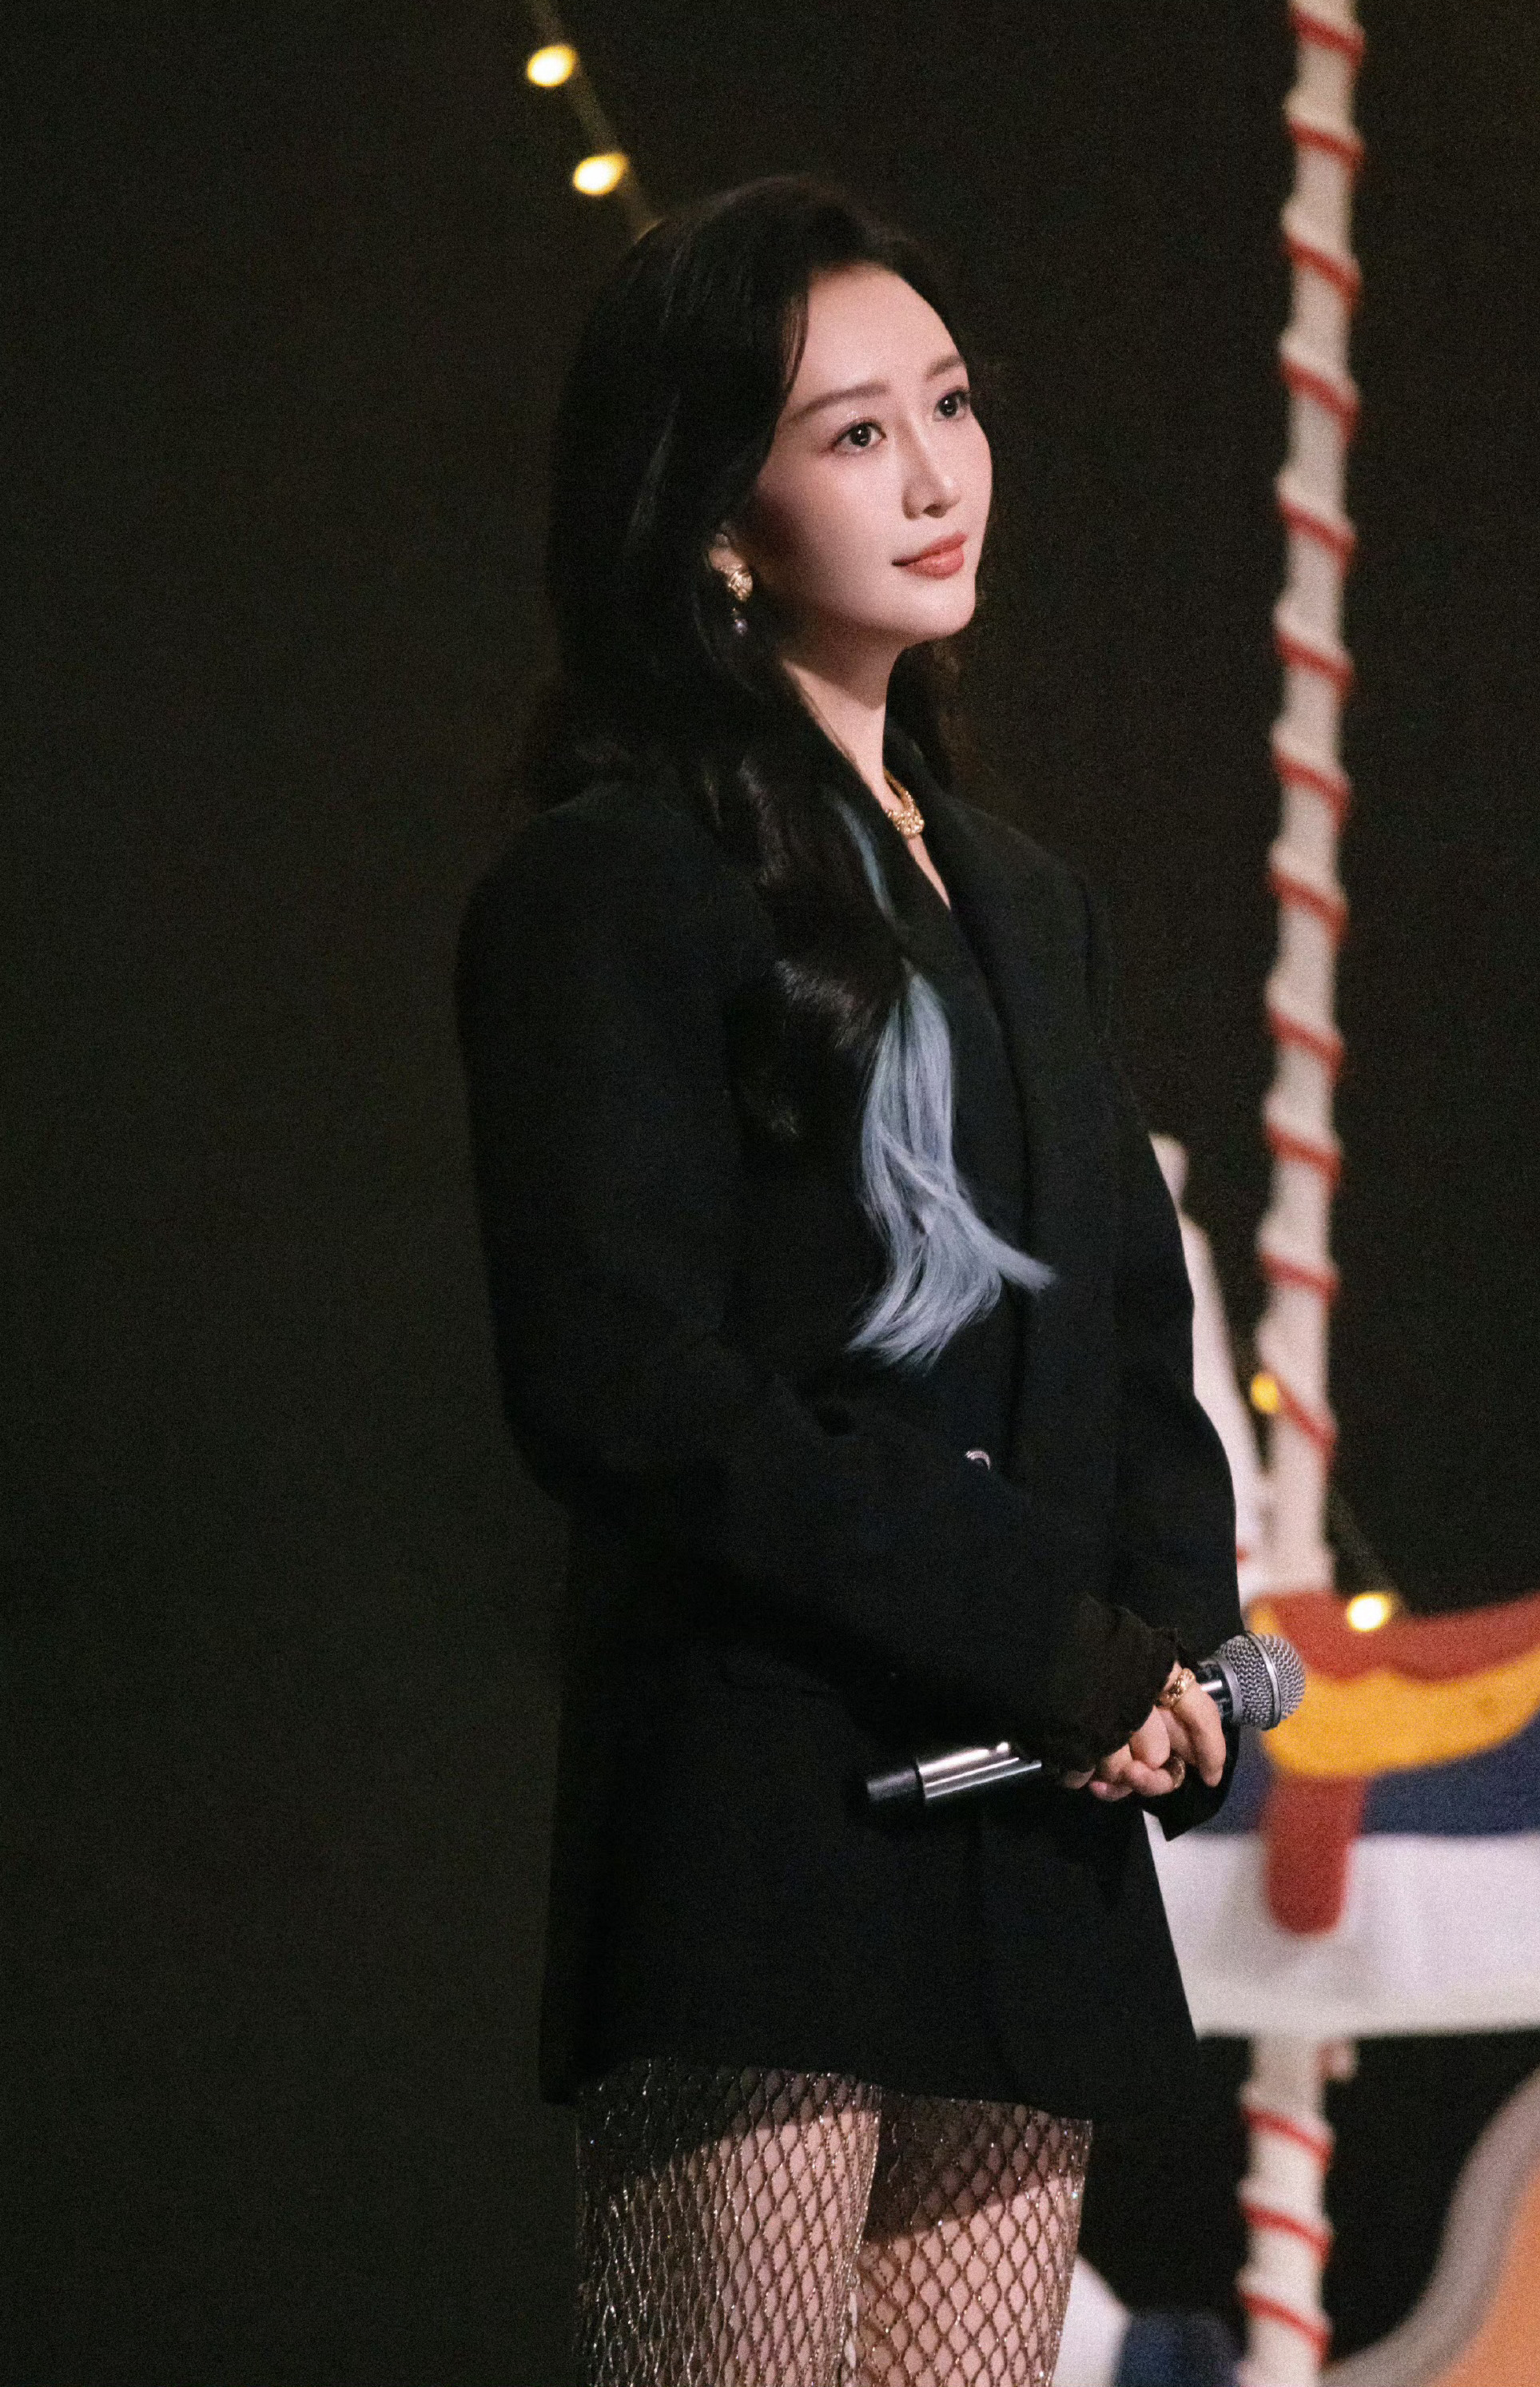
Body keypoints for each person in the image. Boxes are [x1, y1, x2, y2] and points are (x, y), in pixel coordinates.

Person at [456, 176, 1242, 2387]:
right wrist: (1039, 1632)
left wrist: (1172, 1646)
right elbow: (622, 1377)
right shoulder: (615, 882)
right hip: (778, 1806)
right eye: (855, 433)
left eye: (951, 407)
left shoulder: (1028, 899)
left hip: (1034, 1816)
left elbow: (1128, 1329)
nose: (934, 474)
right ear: (718, 519)